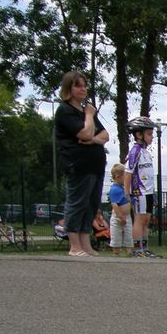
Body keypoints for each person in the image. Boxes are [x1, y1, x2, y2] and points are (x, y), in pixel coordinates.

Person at [53, 70, 109, 257]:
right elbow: (84, 133)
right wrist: (89, 117)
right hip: (78, 165)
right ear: (69, 88)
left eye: (84, 85)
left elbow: (105, 135)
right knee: (77, 202)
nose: (83, 89)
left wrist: (92, 139)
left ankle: (86, 244)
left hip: (95, 165)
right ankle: (74, 245)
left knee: (91, 204)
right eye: (78, 85)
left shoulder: (87, 112)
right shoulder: (66, 111)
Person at [124, 116, 159, 258]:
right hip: (140, 192)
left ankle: (145, 247)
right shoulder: (135, 151)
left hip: (149, 191)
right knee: (139, 219)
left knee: (146, 220)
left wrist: (154, 192)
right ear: (139, 134)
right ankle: (138, 249)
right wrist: (127, 192)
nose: (152, 137)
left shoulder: (147, 153)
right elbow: (128, 172)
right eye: (149, 134)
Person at [107, 163, 133, 257]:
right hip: (118, 216)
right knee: (116, 233)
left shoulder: (124, 189)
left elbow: (129, 200)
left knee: (128, 233)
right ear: (118, 176)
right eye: (125, 176)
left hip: (127, 216)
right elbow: (114, 204)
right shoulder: (114, 189)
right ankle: (116, 251)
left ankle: (129, 250)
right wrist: (120, 216)